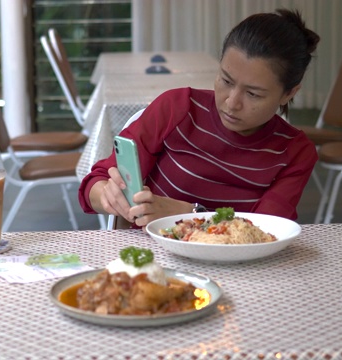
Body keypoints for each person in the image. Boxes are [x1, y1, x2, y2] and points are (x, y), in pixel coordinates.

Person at [78, 9, 321, 228]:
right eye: (226, 81)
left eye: (253, 94)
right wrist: (106, 194)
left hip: (239, 270)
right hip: (153, 260)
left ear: (289, 93)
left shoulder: (295, 152)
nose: (232, 102)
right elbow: (94, 183)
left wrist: (191, 214)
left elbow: (269, 231)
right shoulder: (178, 109)